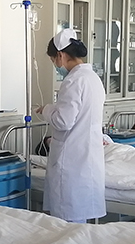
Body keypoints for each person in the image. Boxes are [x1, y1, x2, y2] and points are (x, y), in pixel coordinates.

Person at [35, 28, 105, 223]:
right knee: (80, 224)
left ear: (60, 55)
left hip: (72, 161)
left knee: (67, 224)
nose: (55, 65)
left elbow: (64, 121)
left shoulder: (73, 81)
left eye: (53, 60)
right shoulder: (93, 78)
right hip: (88, 157)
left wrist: (47, 109)